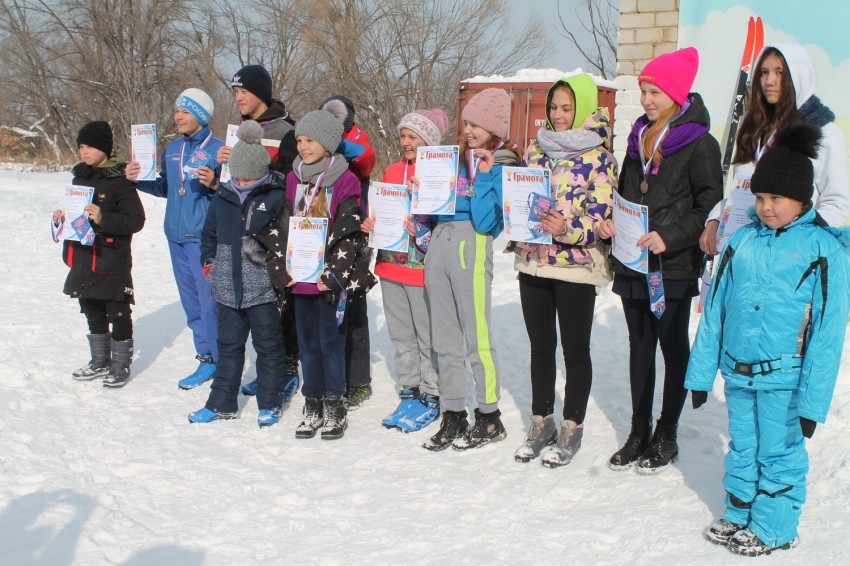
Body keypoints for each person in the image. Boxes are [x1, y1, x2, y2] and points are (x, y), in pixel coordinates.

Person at [685, 123, 850, 557]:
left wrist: (813, 404)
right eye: (759, 197)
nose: (766, 207)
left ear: (802, 199)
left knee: (779, 452)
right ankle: (740, 509)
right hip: (739, 371)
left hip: (786, 379)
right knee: (744, 445)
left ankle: (776, 526)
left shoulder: (822, 249)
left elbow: (828, 335)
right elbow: (715, 310)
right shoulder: (741, 242)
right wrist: (700, 376)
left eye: (776, 198)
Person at [597, 48, 722, 474]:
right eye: (644, 91)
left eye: (654, 92)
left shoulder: (701, 143)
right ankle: (638, 431)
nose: (647, 100)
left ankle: (667, 433)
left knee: (671, 346)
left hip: (672, 266)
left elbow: (709, 204)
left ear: (676, 93)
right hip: (634, 262)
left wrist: (670, 236)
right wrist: (614, 222)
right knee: (639, 347)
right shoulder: (637, 140)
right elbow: (627, 195)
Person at [507, 73, 617, 467]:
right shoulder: (536, 152)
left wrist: (567, 229)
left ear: (583, 109)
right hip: (534, 262)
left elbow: (603, 214)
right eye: (553, 107)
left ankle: (572, 425)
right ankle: (542, 421)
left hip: (574, 266)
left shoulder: (600, 157)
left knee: (574, 350)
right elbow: (521, 198)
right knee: (540, 347)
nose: (558, 115)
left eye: (567, 107)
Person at [422, 88, 523, 452]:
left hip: (472, 242)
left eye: (476, 124)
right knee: (444, 336)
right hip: (440, 240)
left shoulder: (502, 164)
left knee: (477, 336)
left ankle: (489, 415)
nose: (468, 129)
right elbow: (434, 205)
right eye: (465, 122)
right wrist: (424, 192)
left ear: (493, 128)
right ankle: (453, 413)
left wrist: (482, 177)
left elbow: (485, 222)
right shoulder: (450, 157)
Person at [700, 42, 849, 255]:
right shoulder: (754, 129)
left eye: (779, 73)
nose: (769, 81)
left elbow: (835, 201)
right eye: (764, 72)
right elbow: (742, 191)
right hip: (745, 248)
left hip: (790, 256)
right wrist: (716, 219)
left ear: (798, 77)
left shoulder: (823, 131)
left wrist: (801, 243)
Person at [187, 121, 289, 427]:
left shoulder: (275, 196)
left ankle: (269, 403)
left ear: (261, 172)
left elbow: (285, 240)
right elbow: (209, 234)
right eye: (238, 174)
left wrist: (275, 273)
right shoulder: (225, 195)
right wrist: (209, 264)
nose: (242, 181)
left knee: (269, 348)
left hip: (263, 289)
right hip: (227, 286)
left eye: (249, 176)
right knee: (228, 347)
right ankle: (221, 403)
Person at [126, 88, 224, 389]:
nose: (178, 116)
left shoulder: (219, 149)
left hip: (203, 239)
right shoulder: (171, 150)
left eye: (186, 111)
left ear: (201, 115)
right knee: (191, 303)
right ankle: (205, 357)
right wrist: (137, 179)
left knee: (210, 303)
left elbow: (235, 192)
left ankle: (223, 362)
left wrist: (216, 183)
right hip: (176, 237)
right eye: (177, 110)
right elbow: (166, 188)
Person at [287, 110, 376, 440]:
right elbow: (286, 225)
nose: (303, 146)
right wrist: (285, 267)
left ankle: (334, 402)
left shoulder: (345, 179)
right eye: (299, 140)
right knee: (307, 344)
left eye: (310, 140)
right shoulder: (293, 177)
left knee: (330, 343)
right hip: (300, 276)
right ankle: (312, 401)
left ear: (327, 143)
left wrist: (334, 274)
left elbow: (350, 231)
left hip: (327, 277)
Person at [360, 108, 449, 432]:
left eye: (413, 137)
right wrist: (372, 223)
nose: (406, 142)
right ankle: (409, 390)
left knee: (426, 337)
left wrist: (423, 227)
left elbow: (445, 223)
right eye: (403, 136)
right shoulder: (394, 169)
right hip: (389, 266)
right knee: (401, 336)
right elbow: (383, 210)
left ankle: (431, 394)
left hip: (421, 269)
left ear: (429, 141)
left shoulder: (440, 173)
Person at [218, 65, 302, 400]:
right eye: (235, 91)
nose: (238, 97)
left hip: (278, 225)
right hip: (246, 226)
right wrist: (223, 168)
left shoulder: (285, 130)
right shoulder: (239, 129)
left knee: (281, 301)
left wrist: (258, 167)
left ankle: (287, 369)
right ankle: (273, 367)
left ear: (261, 94)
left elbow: (290, 180)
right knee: (259, 304)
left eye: (244, 91)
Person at [53, 121, 145, 387]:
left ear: (104, 148)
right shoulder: (79, 178)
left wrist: (104, 217)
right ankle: (99, 359)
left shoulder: (120, 181)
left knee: (117, 312)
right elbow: (74, 214)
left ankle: (120, 364)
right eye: (81, 146)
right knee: (91, 309)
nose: (84, 151)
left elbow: (136, 220)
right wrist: (62, 217)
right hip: (83, 257)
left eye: (90, 146)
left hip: (110, 260)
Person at [320, 95, 377, 410]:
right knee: (326, 306)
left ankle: (358, 382)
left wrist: (337, 141)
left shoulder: (356, 137)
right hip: (323, 235)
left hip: (354, 233)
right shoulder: (318, 143)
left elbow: (367, 159)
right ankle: (333, 377)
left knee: (353, 310)